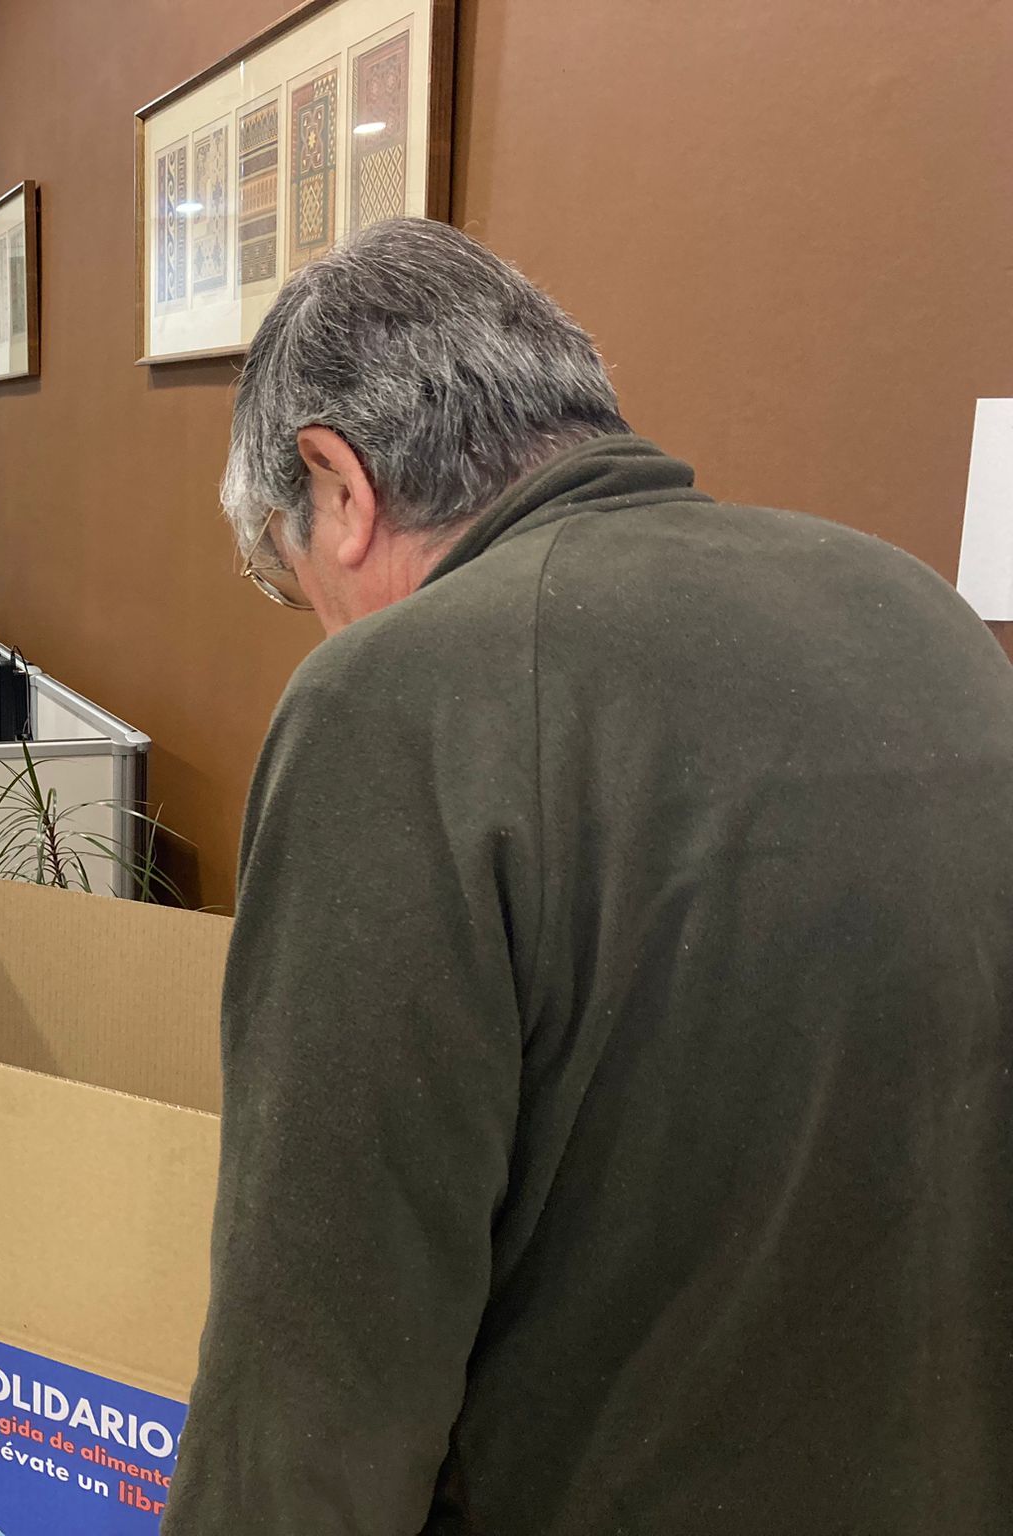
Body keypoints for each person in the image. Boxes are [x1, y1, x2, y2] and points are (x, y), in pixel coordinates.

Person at [163, 218, 1013, 1534]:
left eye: (298, 588)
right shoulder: (923, 620)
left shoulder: (398, 701)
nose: (318, 637)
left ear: (338, 484)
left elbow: (320, 1362)